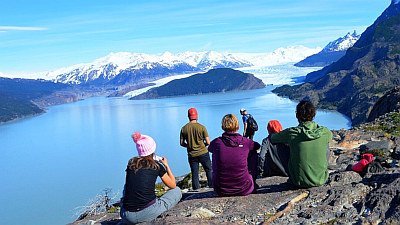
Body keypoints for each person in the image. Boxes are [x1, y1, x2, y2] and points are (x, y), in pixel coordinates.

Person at [120, 132, 182, 224]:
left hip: (126, 215)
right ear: (153, 149)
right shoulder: (156, 166)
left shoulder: (131, 163)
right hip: (147, 212)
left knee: (127, 187)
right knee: (177, 191)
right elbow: (172, 185)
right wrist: (166, 165)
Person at [271, 100, 332, 188]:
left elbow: (273, 139)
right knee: (325, 144)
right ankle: (318, 171)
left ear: (297, 115)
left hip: (298, 181)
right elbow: (330, 137)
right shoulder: (325, 132)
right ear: (313, 115)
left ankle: (286, 172)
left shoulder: (292, 133)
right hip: (321, 179)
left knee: (281, 143)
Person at [208, 114, 260, 196]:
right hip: (244, 188)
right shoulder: (246, 142)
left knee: (216, 152)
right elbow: (257, 146)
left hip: (221, 190)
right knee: (253, 152)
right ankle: (252, 179)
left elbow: (210, 148)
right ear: (238, 126)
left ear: (223, 126)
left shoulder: (217, 142)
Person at [180, 107, 213, 190]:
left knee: (195, 172)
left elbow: (181, 143)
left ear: (188, 116)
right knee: (208, 170)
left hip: (192, 154)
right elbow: (208, 142)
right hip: (203, 152)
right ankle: (212, 186)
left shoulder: (184, 129)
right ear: (196, 116)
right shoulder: (202, 127)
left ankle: (196, 189)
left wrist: (189, 145)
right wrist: (203, 144)